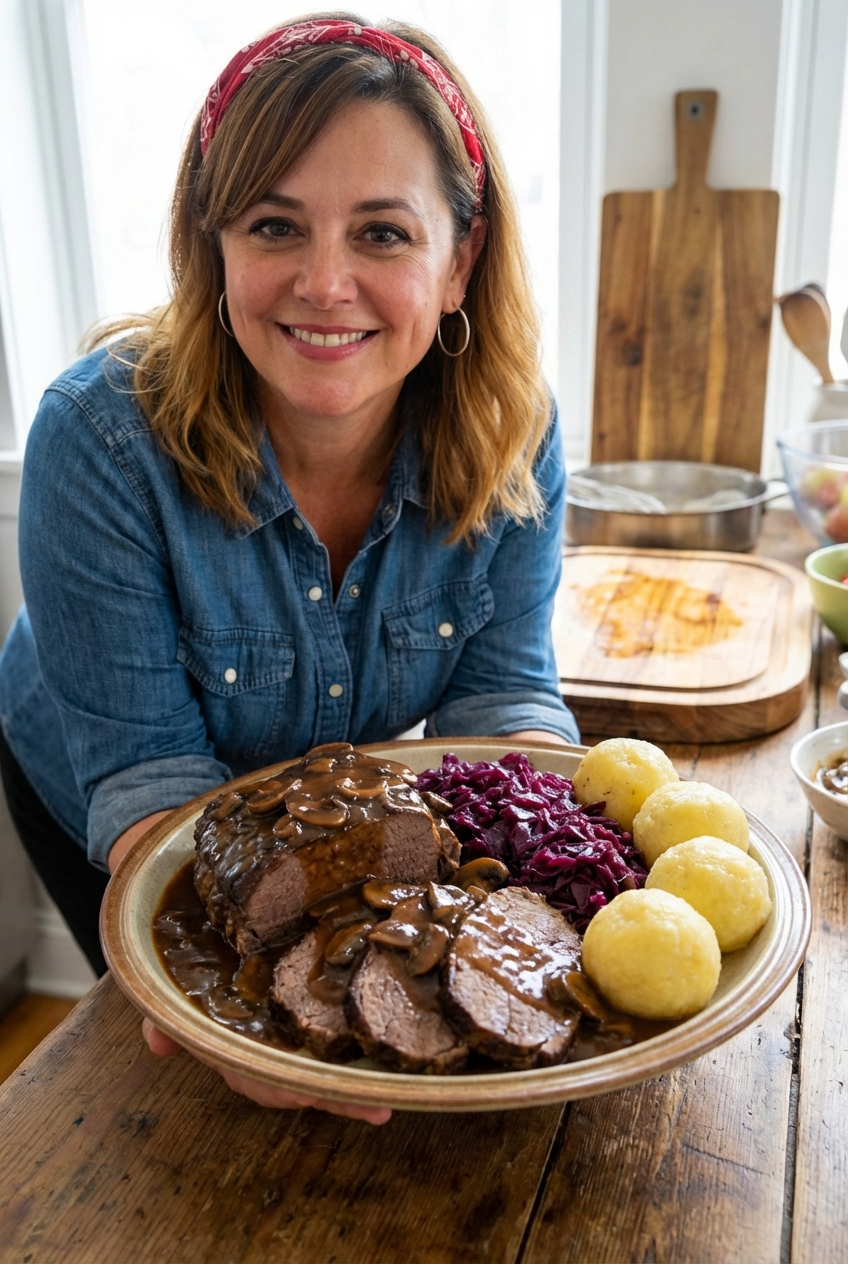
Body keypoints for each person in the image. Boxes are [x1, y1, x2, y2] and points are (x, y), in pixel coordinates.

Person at [0, 14, 578, 1123]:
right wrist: (268, 1014)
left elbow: (502, 704)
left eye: (380, 234)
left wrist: (552, 891)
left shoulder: (516, 431)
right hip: (100, 779)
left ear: (457, 260)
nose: (324, 283)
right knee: (179, 1087)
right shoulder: (96, 439)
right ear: (210, 244)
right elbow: (153, 787)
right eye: (275, 225)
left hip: (327, 807)